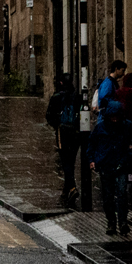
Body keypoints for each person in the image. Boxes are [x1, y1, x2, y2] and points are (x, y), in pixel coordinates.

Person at [86, 98, 132, 236]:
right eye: (112, 117)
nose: (114, 120)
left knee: (122, 194)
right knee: (108, 196)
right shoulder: (101, 127)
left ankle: (122, 222)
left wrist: (130, 158)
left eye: (117, 117)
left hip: (121, 164)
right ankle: (111, 222)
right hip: (106, 164)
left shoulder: (127, 126)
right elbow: (91, 144)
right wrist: (92, 159)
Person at [45, 72, 81, 209]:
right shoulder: (77, 97)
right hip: (76, 133)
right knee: (71, 160)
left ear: (60, 83)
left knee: (65, 160)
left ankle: (72, 187)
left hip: (63, 132)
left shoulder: (56, 97)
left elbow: (49, 116)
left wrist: (57, 125)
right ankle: (66, 190)